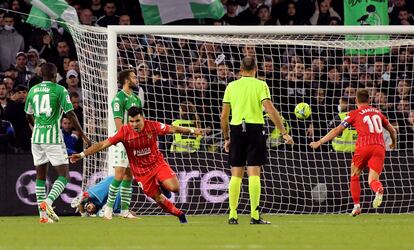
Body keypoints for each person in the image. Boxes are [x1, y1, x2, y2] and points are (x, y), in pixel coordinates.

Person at [69, 106, 203, 224]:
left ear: (143, 119)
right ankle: (180, 214)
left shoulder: (153, 126)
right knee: (158, 198)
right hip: (141, 173)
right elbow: (103, 144)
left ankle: (162, 184)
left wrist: (192, 131)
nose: (134, 124)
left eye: (137, 121)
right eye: (131, 121)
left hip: (157, 164)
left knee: (175, 188)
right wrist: (81, 155)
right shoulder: (124, 132)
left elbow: (173, 129)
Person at [220, 56, 294, 225]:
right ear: (256, 69)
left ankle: (232, 215)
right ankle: (254, 216)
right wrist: (283, 132)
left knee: (236, 174)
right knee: (254, 172)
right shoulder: (261, 85)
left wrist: (226, 137)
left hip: (237, 129)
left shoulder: (231, 86)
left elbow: (224, 116)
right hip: (255, 129)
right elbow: (270, 109)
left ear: (240, 70)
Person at [310, 89, 397, 216]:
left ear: (356, 100)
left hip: (363, 146)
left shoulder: (354, 113)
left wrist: (319, 142)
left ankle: (356, 206)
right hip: (379, 147)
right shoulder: (378, 112)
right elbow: (392, 130)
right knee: (372, 180)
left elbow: (336, 130)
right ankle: (378, 189)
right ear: (369, 100)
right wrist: (393, 143)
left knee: (355, 175)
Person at [24, 63, 90, 223]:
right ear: (54, 75)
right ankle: (47, 202)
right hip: (52, 138)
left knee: (40, 176)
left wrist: (37, 126)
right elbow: (71, 114)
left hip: (36, 138)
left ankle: (43, 216)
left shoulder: (33, 90)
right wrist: (83, 135)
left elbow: (28, 115)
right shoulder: (60, 90)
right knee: (64, 176)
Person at [105, 69, 142, 220]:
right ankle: (108, 209)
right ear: (127, 80)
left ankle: (124, 210)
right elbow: (119, 124)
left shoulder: (136, 99)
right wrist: (127, 139)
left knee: (129, 176)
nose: (136, 79)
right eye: (134, 77)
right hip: (122, 142)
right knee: (119, 174)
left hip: (134, 142)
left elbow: (141, 122)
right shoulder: (118, 99)